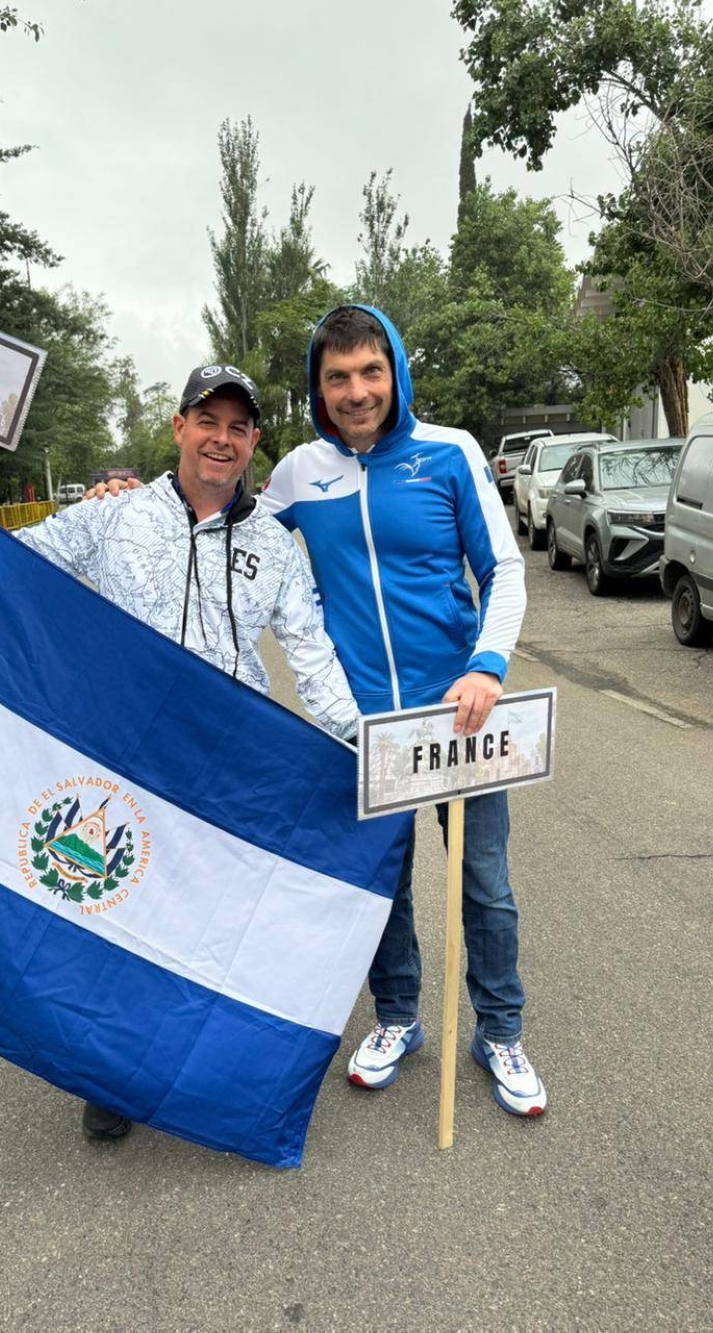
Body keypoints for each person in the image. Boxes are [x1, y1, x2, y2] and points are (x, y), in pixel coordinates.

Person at [0, 363, 362, 1141]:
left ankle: (202, 1069)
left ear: (254, 440)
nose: (221, 439)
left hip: (226, 769)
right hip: (122, 762)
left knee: (211, 926)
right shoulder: (113, 516)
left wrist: (371, 746)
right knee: (118, 924)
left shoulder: (275, 547)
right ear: (179, 427)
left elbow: (314, 660)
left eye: (238, 426)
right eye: (207, 420)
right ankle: (112, 1075)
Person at [260, 305, 546, 1117]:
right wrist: (124, 497)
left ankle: (500, 1031)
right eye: (338, 377)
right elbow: (218, 530)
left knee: (484, 884)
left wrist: (486, 667)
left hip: (458, 722)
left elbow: (504, 570)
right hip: (363, 732)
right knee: (383, 887)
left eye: (370, 372)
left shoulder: (448, 453)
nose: (357, 392)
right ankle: (397, 1018)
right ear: (317, 387)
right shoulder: (297, 474)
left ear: (395, 372)